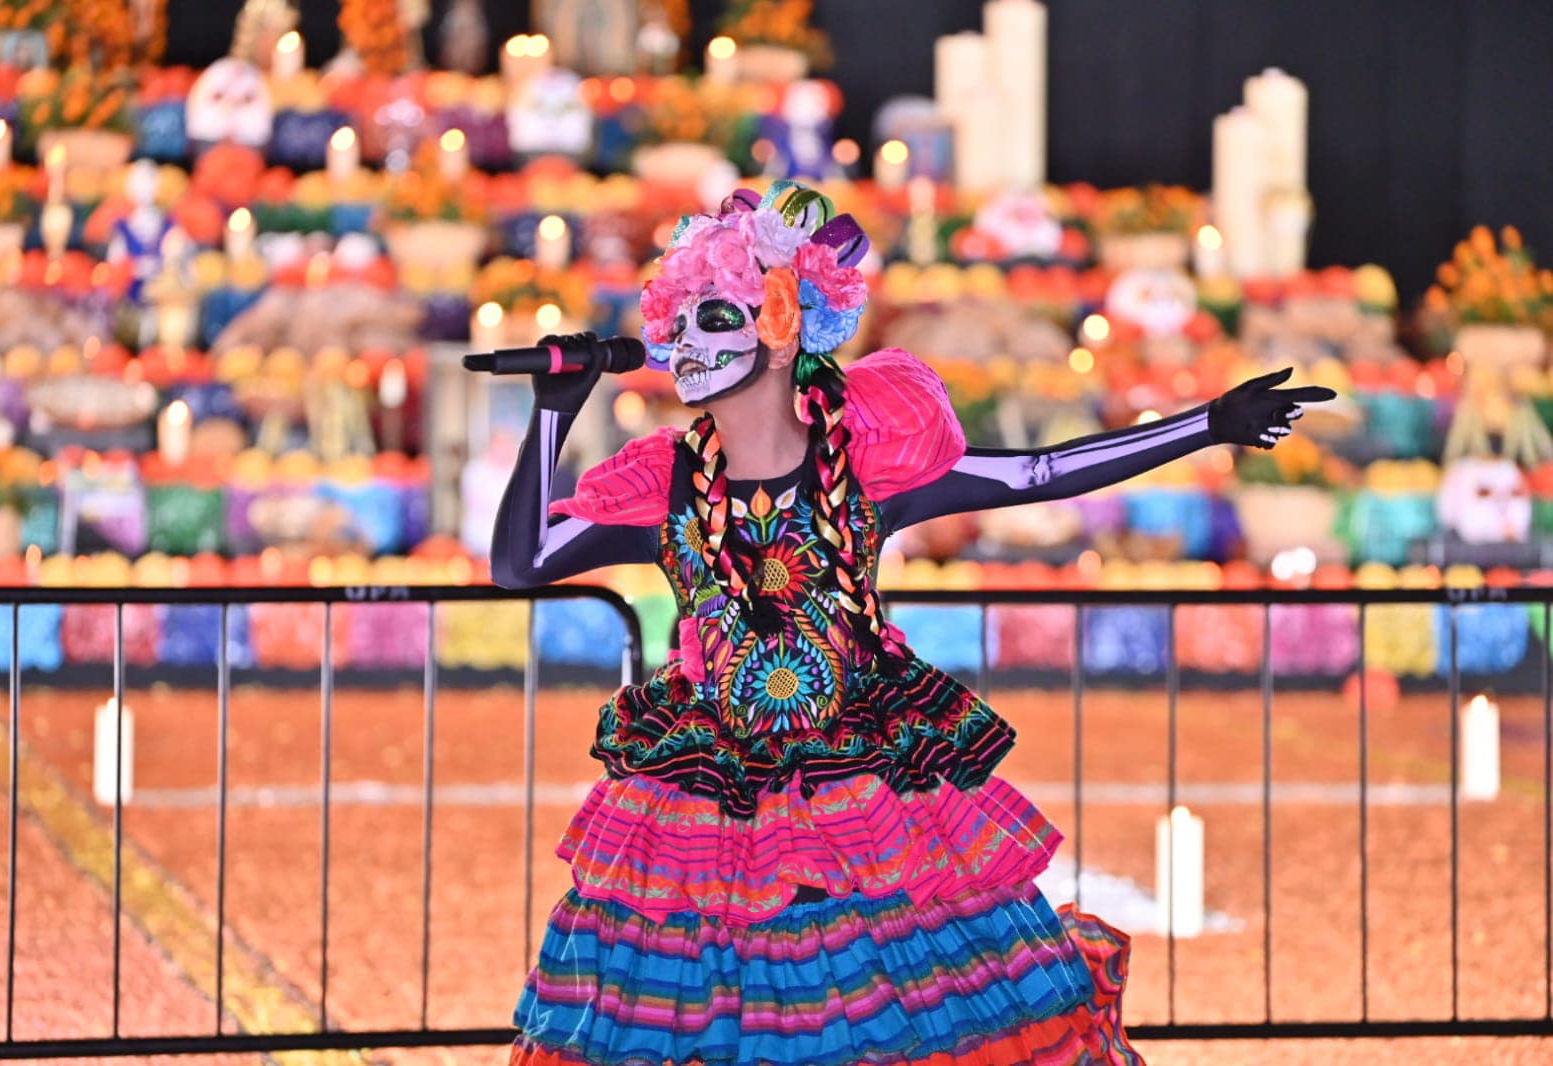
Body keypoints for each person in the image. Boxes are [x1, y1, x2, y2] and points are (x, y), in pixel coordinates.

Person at [490, 182, 1333, 1066]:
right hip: (710, 792)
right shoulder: (661, 485)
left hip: (864, 786)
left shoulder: (868, 470)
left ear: (779, 329)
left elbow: (1038, 473)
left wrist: (1206, 426)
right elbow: (522, 563)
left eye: (714, 318)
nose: (685, 345)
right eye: (679, 323)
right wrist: (557, 404)